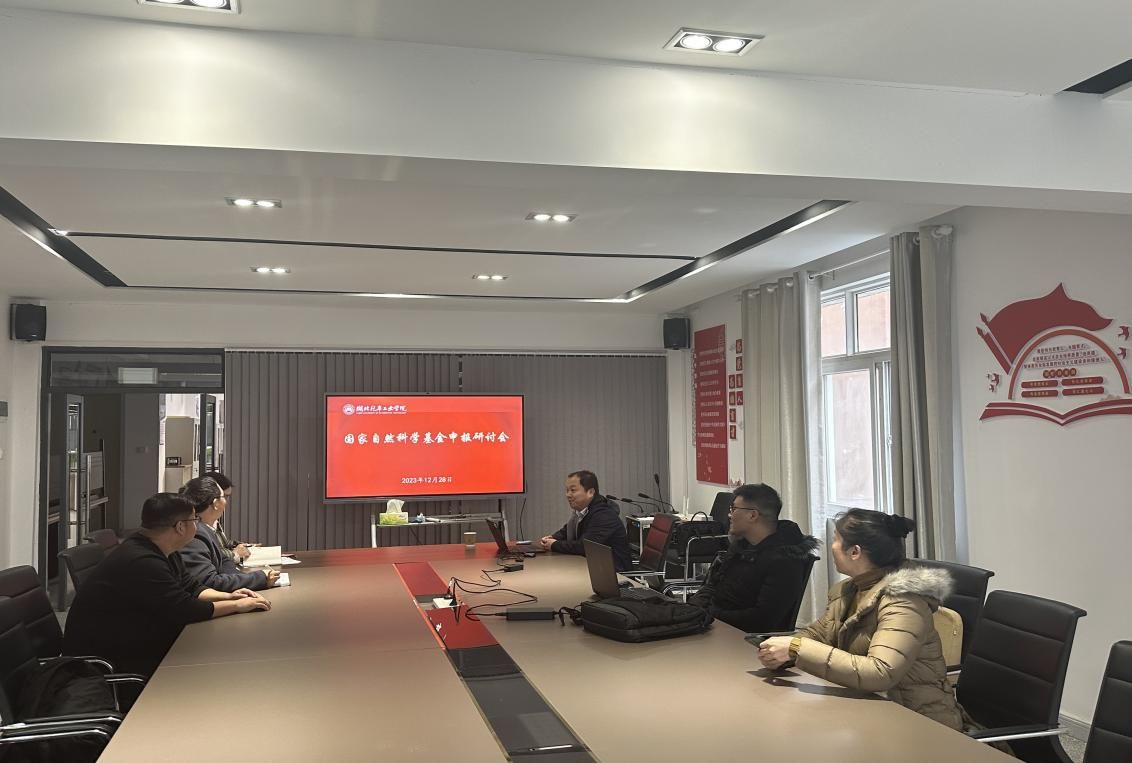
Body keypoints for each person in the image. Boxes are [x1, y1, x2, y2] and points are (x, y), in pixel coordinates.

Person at [757, 509, 963, 729]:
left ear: (854, 552)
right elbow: (821, 633)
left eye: (836, 539)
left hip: (918, 721)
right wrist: (785, 652)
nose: (832, 546)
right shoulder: (851, 589)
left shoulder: (903, 600)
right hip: (872, 709)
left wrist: (798, 648)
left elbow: (881, 671)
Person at [62, 493, 271, 677]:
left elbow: (191, 586)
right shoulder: (141, 560)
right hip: (110, 658)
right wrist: (236, 606)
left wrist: (229, 596)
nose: (197, 525)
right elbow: (185, 609)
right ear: (180, 527)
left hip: (136, 638)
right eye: (195, 519)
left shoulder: (162, 549)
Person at [687, 483, 819, 632]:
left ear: (752, 515)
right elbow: (713, 585)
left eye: (733, 509)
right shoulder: (742, 545)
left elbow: (761, 620)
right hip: (714, 625)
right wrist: (696, 608)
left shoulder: (785, 561)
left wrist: (710, 614)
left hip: (742, 637)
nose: (730, 515)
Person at [179, 477, 278, 591]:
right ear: (215, 503)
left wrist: (252, 578)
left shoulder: (206, 529)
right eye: (223, 497)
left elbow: (225, 564)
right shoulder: (195, 533)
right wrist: (259, 578)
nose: (226, 502)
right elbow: (208, 582)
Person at [537, 470, 632, 571]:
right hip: (591, 568)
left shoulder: (604, 515)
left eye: (573, 490)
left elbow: (584, 546)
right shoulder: (582, 512)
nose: (568, 495)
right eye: (567, 490)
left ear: (590, 492)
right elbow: (567, 531)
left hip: (615, 574)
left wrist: (554, 544)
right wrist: (552, 538)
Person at [203, 471, 252, 564]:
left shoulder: (214, 520)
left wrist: (234, 545)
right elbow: (213, 553)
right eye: (224, 496)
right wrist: (234, 554)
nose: (226, 502)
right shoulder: (198, 525)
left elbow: (220, 544)